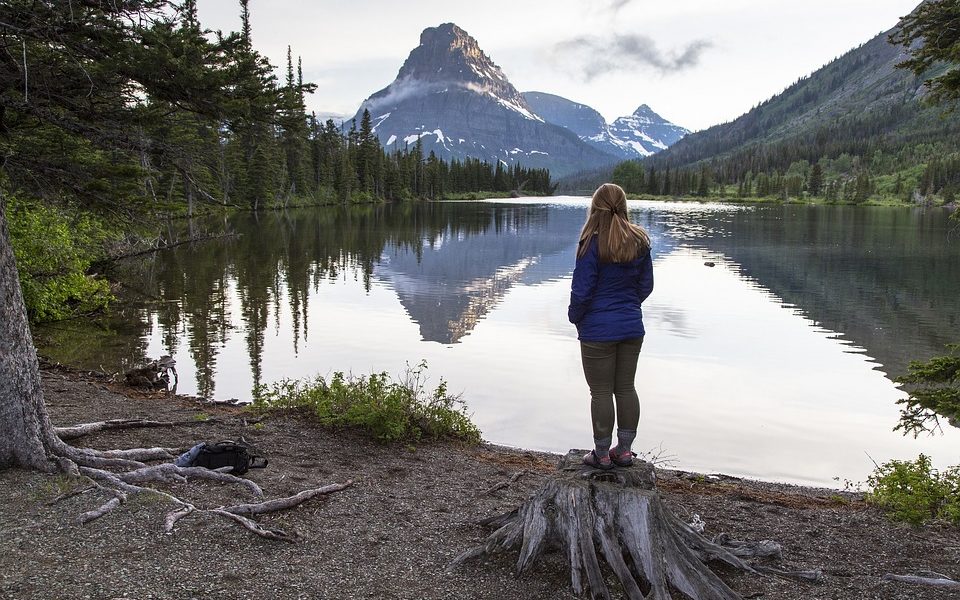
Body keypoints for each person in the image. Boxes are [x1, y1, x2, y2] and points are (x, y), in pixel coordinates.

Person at [568, 183, 654, 469]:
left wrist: (575, 317)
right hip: (631, 328)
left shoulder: (591, 243)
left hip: (597, 330)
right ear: (624, 206)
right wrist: (628, 307)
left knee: (601, 392)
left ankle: (602, 454)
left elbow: (582, 291)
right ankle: (625, 451)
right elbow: (645, 286)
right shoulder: (640, 241)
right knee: (626, 387)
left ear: (595, 208)